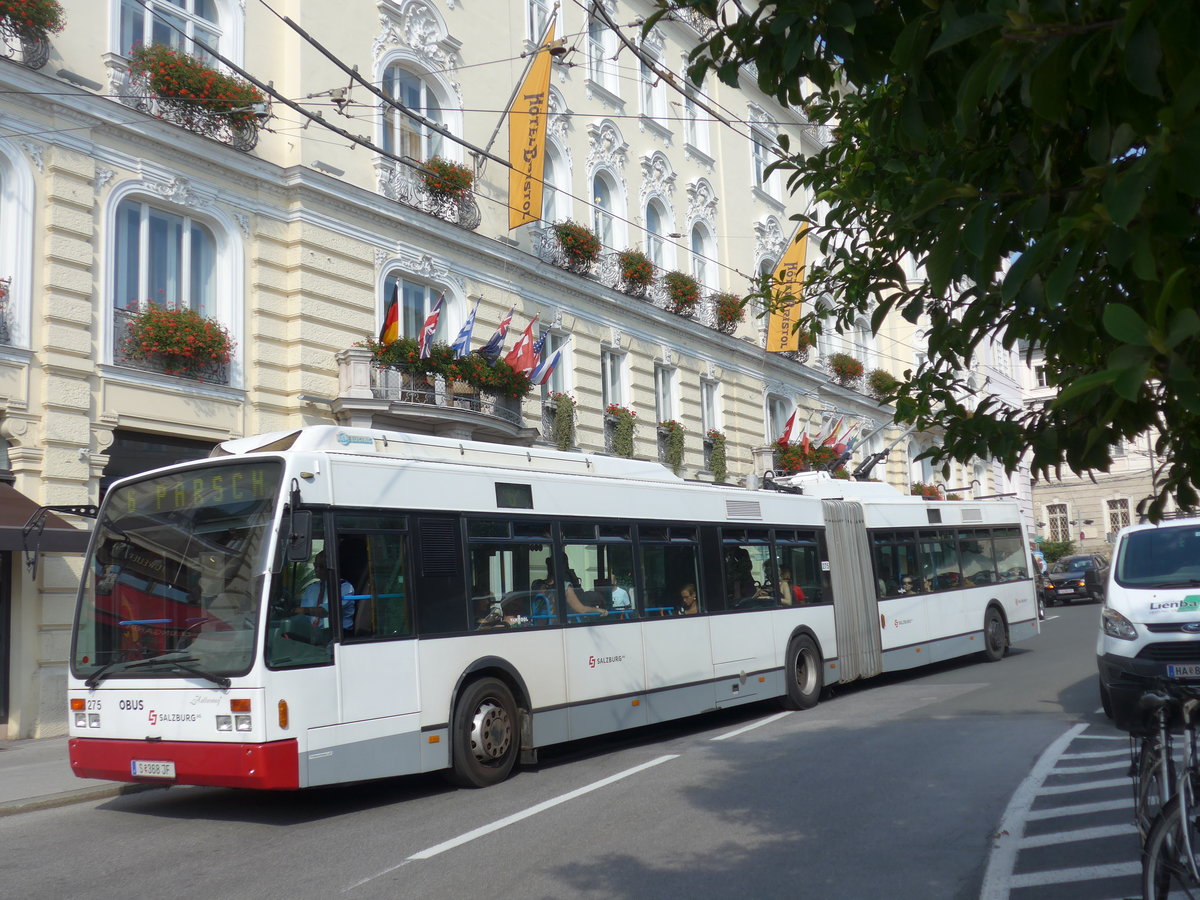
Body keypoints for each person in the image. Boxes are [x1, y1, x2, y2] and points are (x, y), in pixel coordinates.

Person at [297, 549, 356, 632]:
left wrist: (297, 610)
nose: (317, 569)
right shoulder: (311, 588)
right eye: (315, 565)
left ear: (331, 567)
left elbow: (324, 611)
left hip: (339, 633)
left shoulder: (345, 587)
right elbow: (303, 616)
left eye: (321, 566)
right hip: (313, 633)